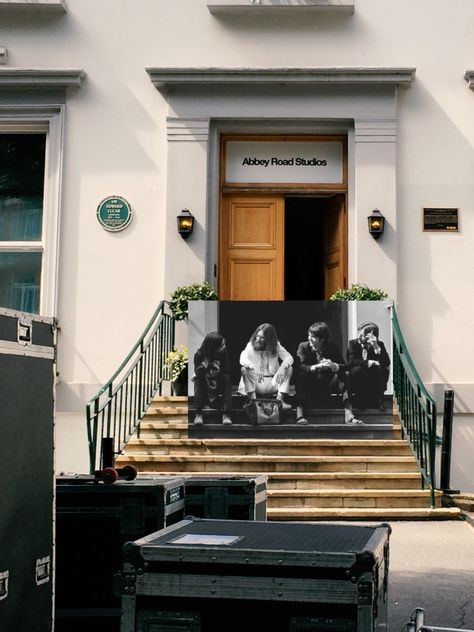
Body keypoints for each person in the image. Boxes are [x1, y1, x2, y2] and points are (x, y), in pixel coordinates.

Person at [295, 321, 363, 425]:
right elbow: (301, 366)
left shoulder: (332, 347)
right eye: (309, 335)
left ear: (322, 339)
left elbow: (344, 366)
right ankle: (299, 414)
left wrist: (333, 365)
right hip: (310, 386)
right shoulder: (303, 347)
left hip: (327, 385)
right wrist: (316, 367)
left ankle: (348, 414)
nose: (309, 339)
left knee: (345, 375)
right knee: (301, 375)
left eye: (312, 337)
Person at [238, 323, 293, 409]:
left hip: (273, 382)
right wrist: (253, 367)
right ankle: (254, 402)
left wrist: (282, 368)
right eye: (257, 336)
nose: (257, 339)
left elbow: (289, 357)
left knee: (289, 368)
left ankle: (279, 401)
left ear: (269, 339)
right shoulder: (251, 345)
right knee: (244, 369)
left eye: (262, 337)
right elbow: (243, 359)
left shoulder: (276, 345)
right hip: (257, 382)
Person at [347, 321, 390, 410]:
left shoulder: (379, 344)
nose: (359, 336)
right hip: (358, 373)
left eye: (363, 335)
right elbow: (351, 361)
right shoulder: (353, 343)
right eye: (359, 333)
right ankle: (360, 400)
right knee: (357, 370)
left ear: (372, 336)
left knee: (384, 369)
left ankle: (378, 398)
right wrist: (369, 362)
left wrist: (375, 346)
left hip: (372, 375)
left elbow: (386, 363)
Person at [192, 332, 232, 425]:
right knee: (197, 379)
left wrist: (217, 368)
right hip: (204, 384)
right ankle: (199, 413)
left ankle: (226, 414)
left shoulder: (223, 353)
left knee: (227, 378)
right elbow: (198, 373)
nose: (223, 347)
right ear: (214, 346)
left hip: (218, 383)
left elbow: (227, 369)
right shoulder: (199, 355)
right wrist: (206, 366)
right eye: (221, 345)